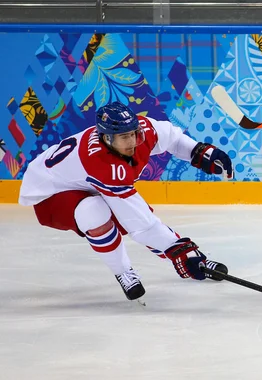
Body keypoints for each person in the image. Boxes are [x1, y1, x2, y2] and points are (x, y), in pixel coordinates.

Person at [19, 102, 234, 301]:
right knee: (94, 212)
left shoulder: (141, 131)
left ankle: (189, 258)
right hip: (51, 194)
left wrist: (200, 152)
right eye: (124, 137)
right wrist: (180, 251)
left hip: (85, 181)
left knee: (125, 214)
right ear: (106, 138)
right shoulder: (102, 164)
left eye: (133, 133)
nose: (132, 141)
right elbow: (140, 224)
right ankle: (123, 271)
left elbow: (173, 139)